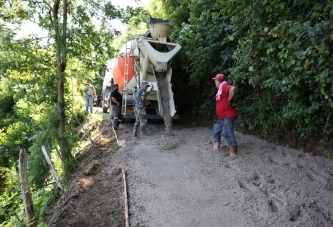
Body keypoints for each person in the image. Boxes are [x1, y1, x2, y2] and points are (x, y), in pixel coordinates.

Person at [212, 73, 238, 156]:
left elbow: (233, 88)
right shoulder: (221, 89)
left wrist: (230, 100)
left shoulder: (223, 86)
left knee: (227, 132)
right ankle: (216, 145)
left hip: (228, 114)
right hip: (222, 115)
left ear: (218, 81)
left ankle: (233, 151)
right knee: (216, 128)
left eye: (215, 80)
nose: (215, 82)